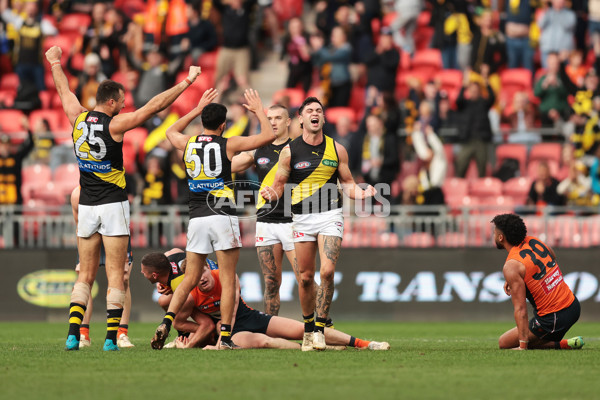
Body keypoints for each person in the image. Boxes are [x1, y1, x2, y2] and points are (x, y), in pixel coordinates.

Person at [45, 44, 202, 351]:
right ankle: (109, 340)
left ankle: (73, 334)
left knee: (85, 276)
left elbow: (63, 89)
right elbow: (153, 107)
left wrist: (55, 63)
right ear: (113, 102)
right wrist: (186, 83)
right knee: (117, 275)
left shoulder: (76, 116)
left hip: (87, 203)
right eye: (123, 102)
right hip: (113, 205)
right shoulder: (115, 125)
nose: (125, 107)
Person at [151, 88, 278, 350]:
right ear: (223, 125)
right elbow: (268, 136)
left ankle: (167, 321)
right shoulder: (227, 144)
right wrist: (258, 110)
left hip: (196, 217)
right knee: (229, 277)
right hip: (221, 213)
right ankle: (227, 337)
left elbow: (169, 132)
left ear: (202, 122)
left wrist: (196, 109)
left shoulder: (187, 142)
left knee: (189, 278)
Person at [261, 97, 377, 351]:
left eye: (319, 111)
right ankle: (308, 329)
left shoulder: (337, 149)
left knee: (326, 272)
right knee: (304, 278)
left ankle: (321, 329)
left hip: (330, 215)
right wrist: (272, 193)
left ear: (323, 119)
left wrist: (362, 193)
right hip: (302, 217)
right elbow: (280, 183)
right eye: (309, 111)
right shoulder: (289, 151)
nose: (315, 114)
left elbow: (347, 182)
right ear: (301, 118)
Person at [141, 251, 390, 350]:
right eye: (195, 279)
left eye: (202, 273)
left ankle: (366, 344)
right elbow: (179, 311)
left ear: (208, 267)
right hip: (233, 331)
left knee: (307, 329)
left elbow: (234, 305)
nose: (201, 280)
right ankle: (327, 352)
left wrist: (218, 337)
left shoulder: (225, 276)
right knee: (268, 342)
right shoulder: (190, 293)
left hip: (247, 317)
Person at [491, 213, 584, 350]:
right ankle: (566, 343)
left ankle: (562, 345)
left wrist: (522, 345)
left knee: (504, 343)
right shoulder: (535, 241)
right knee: (525, 338)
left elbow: (521, 309)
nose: (493, 236)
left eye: (494, 233)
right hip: (573, 306)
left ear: (501, 237)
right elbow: (551, 257)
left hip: (554, 318)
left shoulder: (512, 265)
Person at [70, 186, 134, 348]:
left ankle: (122, 333)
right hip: (93, 232)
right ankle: (83, 334)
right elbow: (79, 225)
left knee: (123, 279)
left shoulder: (116, 187)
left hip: (114, 228)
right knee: (85, 278)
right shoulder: (77, 195)